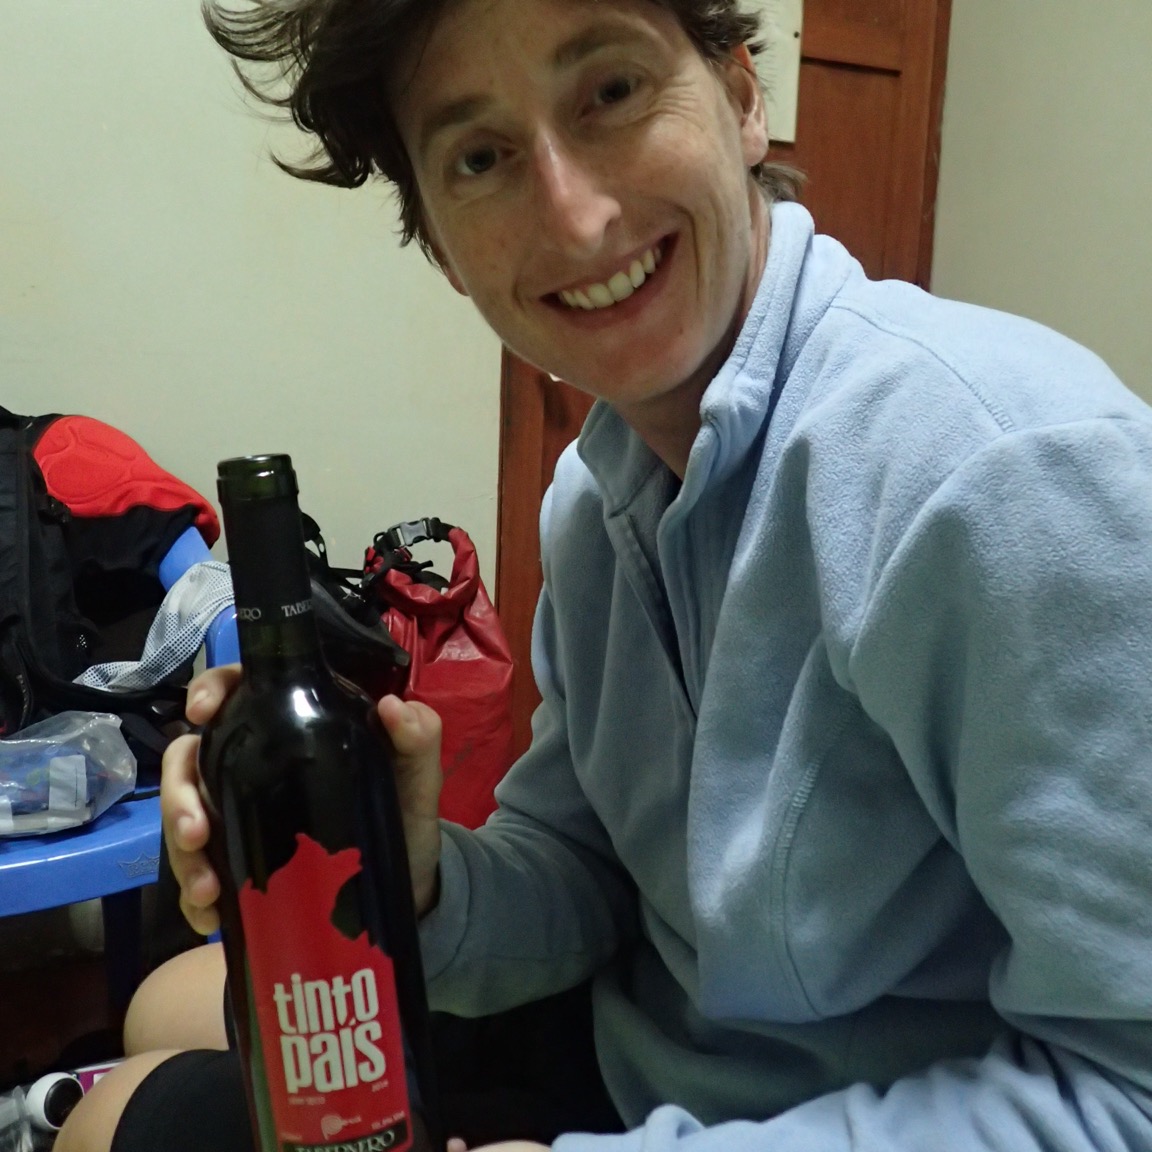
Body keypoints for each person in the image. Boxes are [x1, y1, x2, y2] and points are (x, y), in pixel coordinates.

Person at [58, 0, 1152, 1149]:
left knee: (115, 1126)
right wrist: (413, 877)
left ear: (742, 97)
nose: (575, 217)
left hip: (856, 1116)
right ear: (441, 248)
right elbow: (587, 875)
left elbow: (1128, 1096)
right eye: (480, 158)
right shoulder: (596, 492)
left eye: (613, 93)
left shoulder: (1004, 478)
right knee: (173, 999)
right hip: (653, 1052)